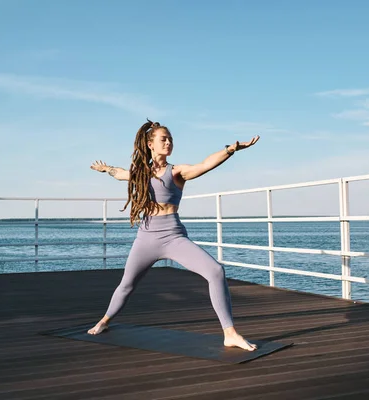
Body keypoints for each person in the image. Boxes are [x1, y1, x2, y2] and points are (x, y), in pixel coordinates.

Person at [88, 119, 260, 351]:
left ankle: (229, 333)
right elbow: (120, 173)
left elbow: (205, 164)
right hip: (146, 238)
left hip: (173, 236)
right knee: (127, 285)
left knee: (216, 271)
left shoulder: (177, 171)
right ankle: (105, 320)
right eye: (163, 139)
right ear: (150, 144)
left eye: (170, 139)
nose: (168, 142)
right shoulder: (141, 172)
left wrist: (230, 150)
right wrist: (106, 169)